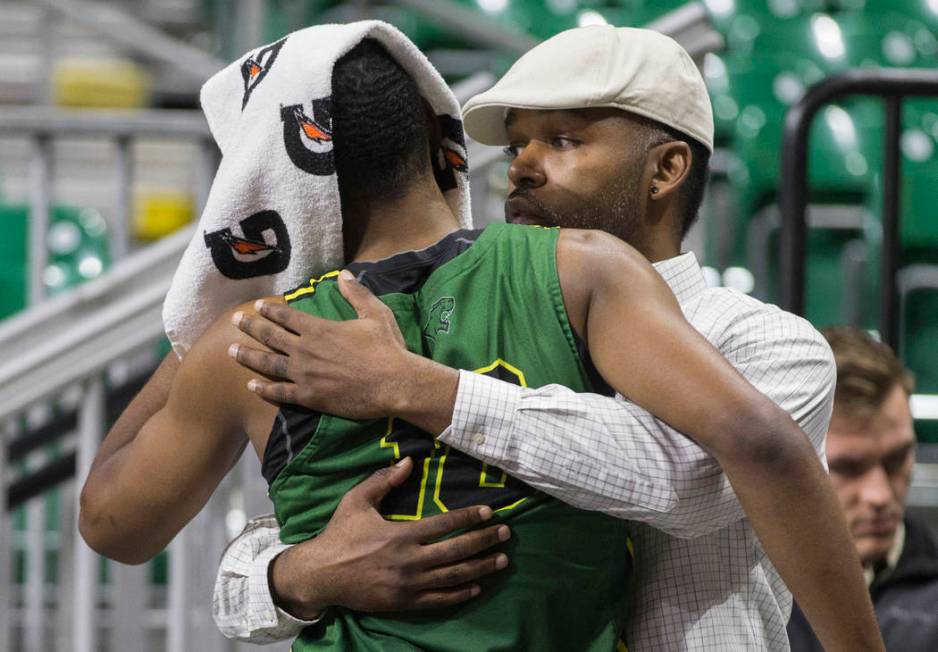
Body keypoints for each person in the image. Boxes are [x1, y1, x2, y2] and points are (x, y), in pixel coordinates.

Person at [212, 26, 881, 652]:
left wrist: (424, 388)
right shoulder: (446, 327)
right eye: (515, 147)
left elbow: (687, 482)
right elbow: (275, 549)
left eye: (561, 141)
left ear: (666, 168)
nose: (522, 168)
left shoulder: (769, 343)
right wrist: (295, 576)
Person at [788, 327, 938, 652]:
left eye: (897, 459)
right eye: (847, 467)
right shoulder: (738, 595)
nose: (879, 495)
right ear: (792, 464)